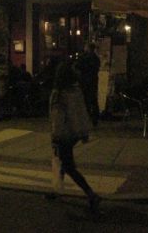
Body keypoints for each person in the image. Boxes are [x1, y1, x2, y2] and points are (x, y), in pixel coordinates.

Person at [48, 61, 101, 214]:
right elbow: (81, 112)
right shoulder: (76, 91)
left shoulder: (59, 94)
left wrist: (55, 135)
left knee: (68, 165)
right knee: (63, 162)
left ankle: (91, 194)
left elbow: (57, 117)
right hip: (74, 133)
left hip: (63, 133)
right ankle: (57, 189)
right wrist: (83, 133)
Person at [75, 42, 101, 126]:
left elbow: (78, 66)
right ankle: (95, 118)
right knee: (93, 100)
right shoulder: (96, 58)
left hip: (85, 81)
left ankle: (86, 118)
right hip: (93, 81)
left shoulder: (84, 58)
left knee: (86, 100)